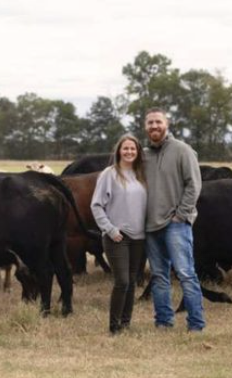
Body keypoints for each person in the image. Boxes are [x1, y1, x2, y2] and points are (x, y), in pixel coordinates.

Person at [143, 107, 205, 332]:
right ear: (145, 127)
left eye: (158, 122)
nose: (154, 127)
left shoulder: (182, 150)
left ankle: (196, 324)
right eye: (150, 123)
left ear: (167, 124)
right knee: (159, 276)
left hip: (175, 224)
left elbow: (194, 184)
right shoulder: (144, 155)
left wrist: (181, 215)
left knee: (186, 274)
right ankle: (163, 322)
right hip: (150, 225)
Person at [91, 134, 148, 335]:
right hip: (117, 237)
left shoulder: (142, 174)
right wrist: (110, 229)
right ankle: (114, 327)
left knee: (132, 281)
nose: (129, 152)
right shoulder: (110, 174)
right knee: (122, 281)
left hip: (139, 237)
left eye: (133, 149)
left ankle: (126, 323)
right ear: (118, 151)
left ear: (138, 152)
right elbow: (96, 205)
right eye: (125, 148)